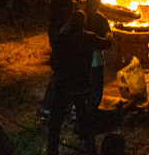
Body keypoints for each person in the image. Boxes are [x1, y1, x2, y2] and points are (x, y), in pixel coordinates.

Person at [47, 10, 114, 155]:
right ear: (84, 24)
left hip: (63, 86)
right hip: (81, 87)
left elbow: (52, 62)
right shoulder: (88, 37)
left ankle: (52, 150)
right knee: (84, 120)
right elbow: (108, 43)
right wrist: (109, 33)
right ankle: (91, 149)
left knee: (56, 121)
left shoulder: (62, 38)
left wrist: (62, 72)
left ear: (71, 22)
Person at [43, 0, 80, 114]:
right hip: (62, 45)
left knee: (63, 74)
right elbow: (65, 26)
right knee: (61, 75)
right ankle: (50, 106)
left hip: (59, 43)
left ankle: (58, 105)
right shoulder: (66, 3)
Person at [84, 0, 111, 116]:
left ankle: (83, 111)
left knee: (83, 85)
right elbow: (108, 35)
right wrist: (109, 40)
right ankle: (91, 112)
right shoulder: (99, 18)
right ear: (97, 4)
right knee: (95, 85)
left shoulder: (79, 15)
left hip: (80, 59)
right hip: (95, 59)